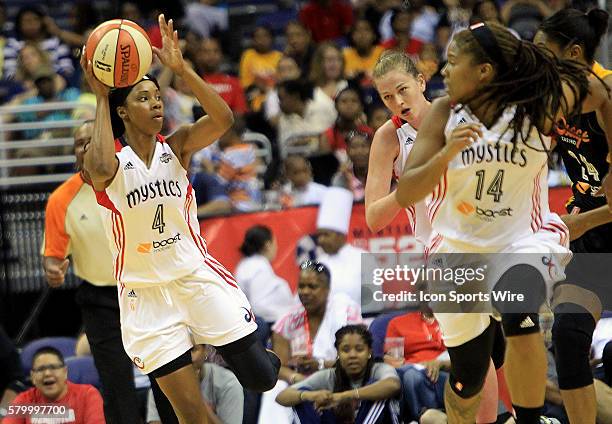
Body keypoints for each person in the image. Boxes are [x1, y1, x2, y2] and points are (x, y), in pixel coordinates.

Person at [394, 21, 599, 424]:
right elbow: (407, 193)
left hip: (523, 239)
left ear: (483, 71)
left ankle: (530, 420)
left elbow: (599, 93)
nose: (445, 72)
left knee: (517, 307)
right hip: (457, 252)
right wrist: (446, 153)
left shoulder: (539, 107)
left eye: (453, 62)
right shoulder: (443, 112)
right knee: (468, 378)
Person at [80, 14, 279, 423]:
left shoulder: (180, 145)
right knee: (191, 414)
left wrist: (183, 68)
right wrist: (100, 96)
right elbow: (98, 167)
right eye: (143, 98)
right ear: (122, 112)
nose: (155, 103)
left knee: (261, 379)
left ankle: (256, 351)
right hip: (145, 297)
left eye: (157, 97)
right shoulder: (109, 165)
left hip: (194, 277)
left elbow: (223, 120)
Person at [533, 9, 612, 424]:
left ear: (574, 53)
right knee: (567, 334)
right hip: (593, 235)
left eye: (545, 52)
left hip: (595, 222)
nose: (538, 61)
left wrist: (583, 220)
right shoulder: (553, 98)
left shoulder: (608, 90)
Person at [42, 120, 142, 424]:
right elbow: (52, 256)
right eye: (79, 142)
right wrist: (53, 270)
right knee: (116, 386)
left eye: (92, 139)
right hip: (101, 300)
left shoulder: (135, 181)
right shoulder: (61, 199)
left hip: (145, 289)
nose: (86, 146)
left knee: (165, 373)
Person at [276, 324, 401, 424]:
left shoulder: (379, 369)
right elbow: (282, 397)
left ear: (369, 352)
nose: (352, 355)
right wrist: (310, 395)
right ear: (338, 354)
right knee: (302, 395)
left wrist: (343, 396)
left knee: (379, 389)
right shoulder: (330, 375)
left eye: (359, 349)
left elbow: (393, 385)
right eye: (345, 350)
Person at [3, 347, 105, 424]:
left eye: (53, 367)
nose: (47, 373)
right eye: (41, 369)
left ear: (65, 372)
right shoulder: (24, 401)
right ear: (32, 377)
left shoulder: (87, 395)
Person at [147, 346, 242, 424]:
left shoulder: (228, 382)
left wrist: (194, 392)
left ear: (206, 351)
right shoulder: (162, 383)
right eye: (180, 353)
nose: (186, 359)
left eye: (192, 350)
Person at [235, 225, 297, 324]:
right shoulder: (258, 267)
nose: (277, 247)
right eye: (275, 243)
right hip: (260, 324)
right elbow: (259, 306)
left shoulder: (246, 264)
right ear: (268, 245)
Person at [315, 187, 366, 306]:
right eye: (319, 235)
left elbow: (373, 303)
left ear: (341, 235)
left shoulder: (363, 258)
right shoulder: (319, 262)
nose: (320, 240)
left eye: (326, 235)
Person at [331, 131, 371, 201]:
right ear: (347, 151)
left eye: (363, 146)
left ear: (372, 148)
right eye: (354, 147)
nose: (359, 151)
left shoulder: (383, 174)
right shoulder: (341, 178)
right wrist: (348, 182)